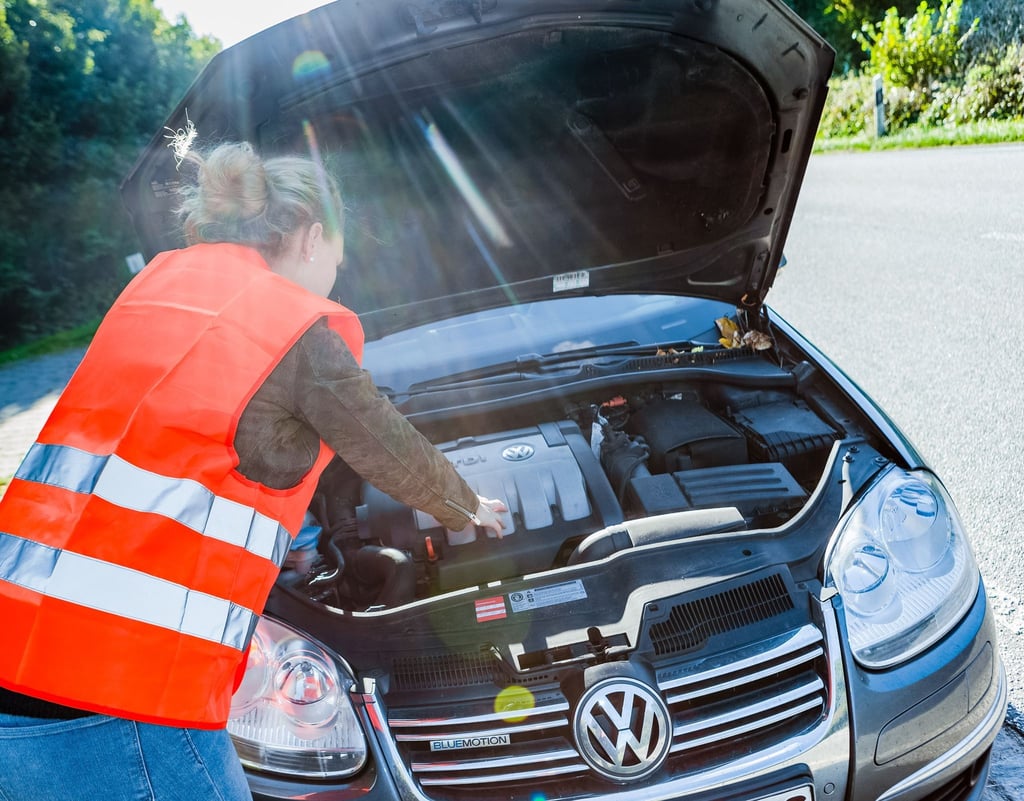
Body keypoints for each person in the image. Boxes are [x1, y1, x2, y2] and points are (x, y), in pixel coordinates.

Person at [0, 140, 506, 800]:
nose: (333, 278)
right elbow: (384, 442)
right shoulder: (291, 326)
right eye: (337, 262)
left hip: (19, 649)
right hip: (122, 689)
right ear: (312, 238)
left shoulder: (156, 290)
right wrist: (469, 508)